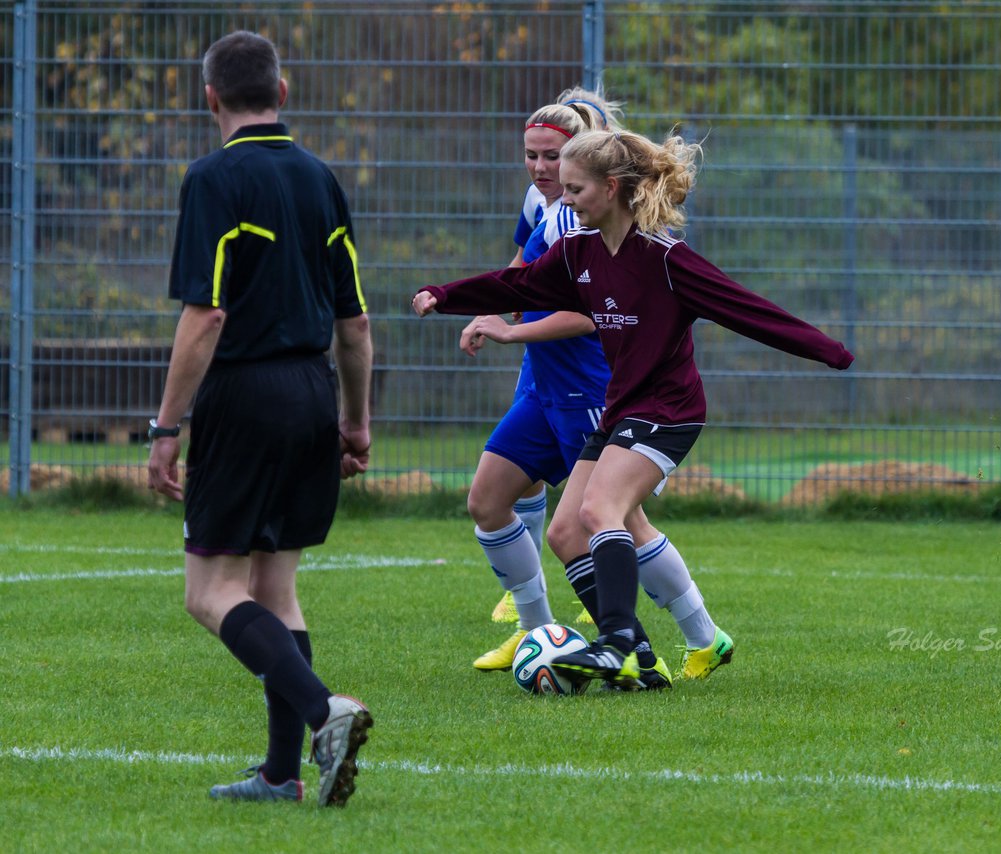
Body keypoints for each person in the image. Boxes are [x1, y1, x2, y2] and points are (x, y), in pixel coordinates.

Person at [413, 128, 853, 687]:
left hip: (670, 410)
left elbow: (750, 311)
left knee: (602, 512)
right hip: (624, 407)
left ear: (612, 187)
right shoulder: (578, 252)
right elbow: (516, 285)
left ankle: (616, 641)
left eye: (574, 189)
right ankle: (643, 662)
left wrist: (830, 352)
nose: (564, 200)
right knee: (566, 534)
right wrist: (446, 295)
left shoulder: (666, 260)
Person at [146, 31, 374, 805]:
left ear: (208, 97)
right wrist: (355, 421)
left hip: (244, 396)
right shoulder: (320, 178)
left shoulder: (214, 179)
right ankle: (281, 776)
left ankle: (323, 711)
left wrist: (166, 427)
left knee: (209, 592)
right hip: (311, 390)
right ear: (285, 90)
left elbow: (206, 315)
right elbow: (355, 325)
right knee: (274, 590)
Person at [462, 90, 731, 689]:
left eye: (552, 157)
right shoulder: (545, 207)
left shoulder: (592, 221)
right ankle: (542, 632)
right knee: (489, 499)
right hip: (541, 385)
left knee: (608, 520)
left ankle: (691, 637)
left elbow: (590, 312)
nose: (540, 169)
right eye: (531, 155)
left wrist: (511, 330)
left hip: (590, 389)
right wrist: (483, 303)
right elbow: (522, 277)